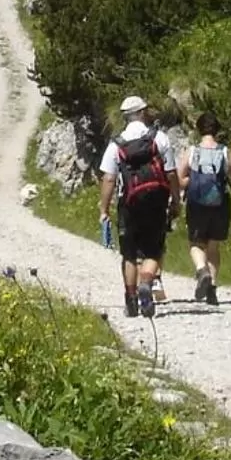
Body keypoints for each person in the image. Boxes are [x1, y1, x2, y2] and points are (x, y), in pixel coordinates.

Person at [98, 93, 178, 318]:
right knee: (154, 250)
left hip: (129, 204)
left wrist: (103, 209)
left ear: (125, 117)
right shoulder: (159, 138)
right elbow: (171, 173)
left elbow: (109, 179)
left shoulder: (117, 144)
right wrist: (176, 200)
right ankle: (146, 284)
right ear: (142, 113)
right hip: (156, 201)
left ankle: (131, 300)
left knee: (130, 254)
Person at [178, 112, 231, 305]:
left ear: (199, 130)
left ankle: (202, 270)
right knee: (213, 246)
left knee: (196, 243)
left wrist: (193, 182)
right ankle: (212, 288)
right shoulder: (225, 152)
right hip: (220, 203)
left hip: (196, 204)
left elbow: (179, 178)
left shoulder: (192, 151)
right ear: (217, 130)